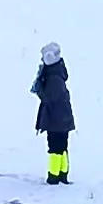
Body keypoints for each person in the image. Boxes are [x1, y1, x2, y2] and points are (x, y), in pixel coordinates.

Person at [33, 42, 74, 186]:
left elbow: (50, 98)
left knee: (54, 149)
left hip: (56, 119)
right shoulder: (57, 74)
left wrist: (39, 88)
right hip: (62, 119)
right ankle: (62, 174)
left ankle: (53, 175)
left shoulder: (53, 78)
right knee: (62, 147)